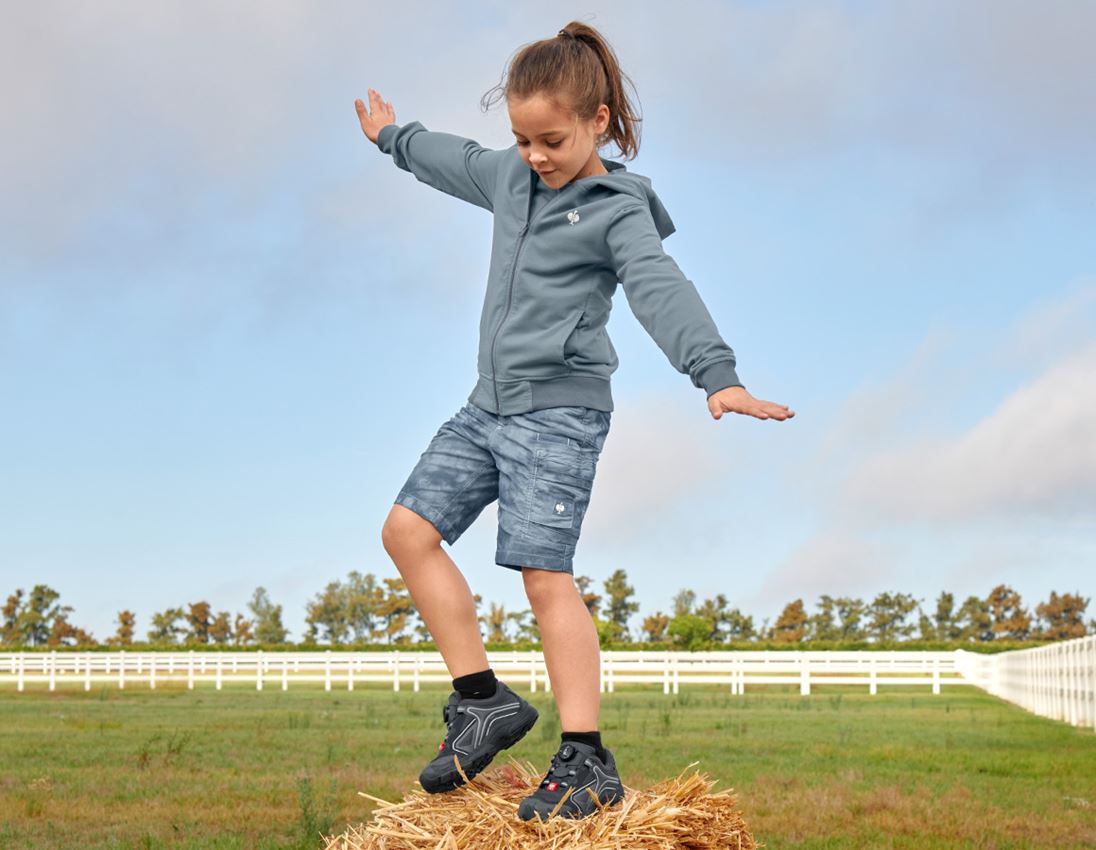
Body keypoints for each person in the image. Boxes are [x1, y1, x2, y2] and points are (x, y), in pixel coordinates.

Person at [357, 21, 794, 822]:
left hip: (559, 417)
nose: (534, 156)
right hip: (485, 407)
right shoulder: (510, 176)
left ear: (597, 121)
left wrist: (716, 374)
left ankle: (587, 758)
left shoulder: (615, 209)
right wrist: (392, 135)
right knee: (405, 531)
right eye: (522, 139)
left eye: (550, 139)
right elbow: (448, 159)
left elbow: (660, 287)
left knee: (542, 576)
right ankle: (483, 701)